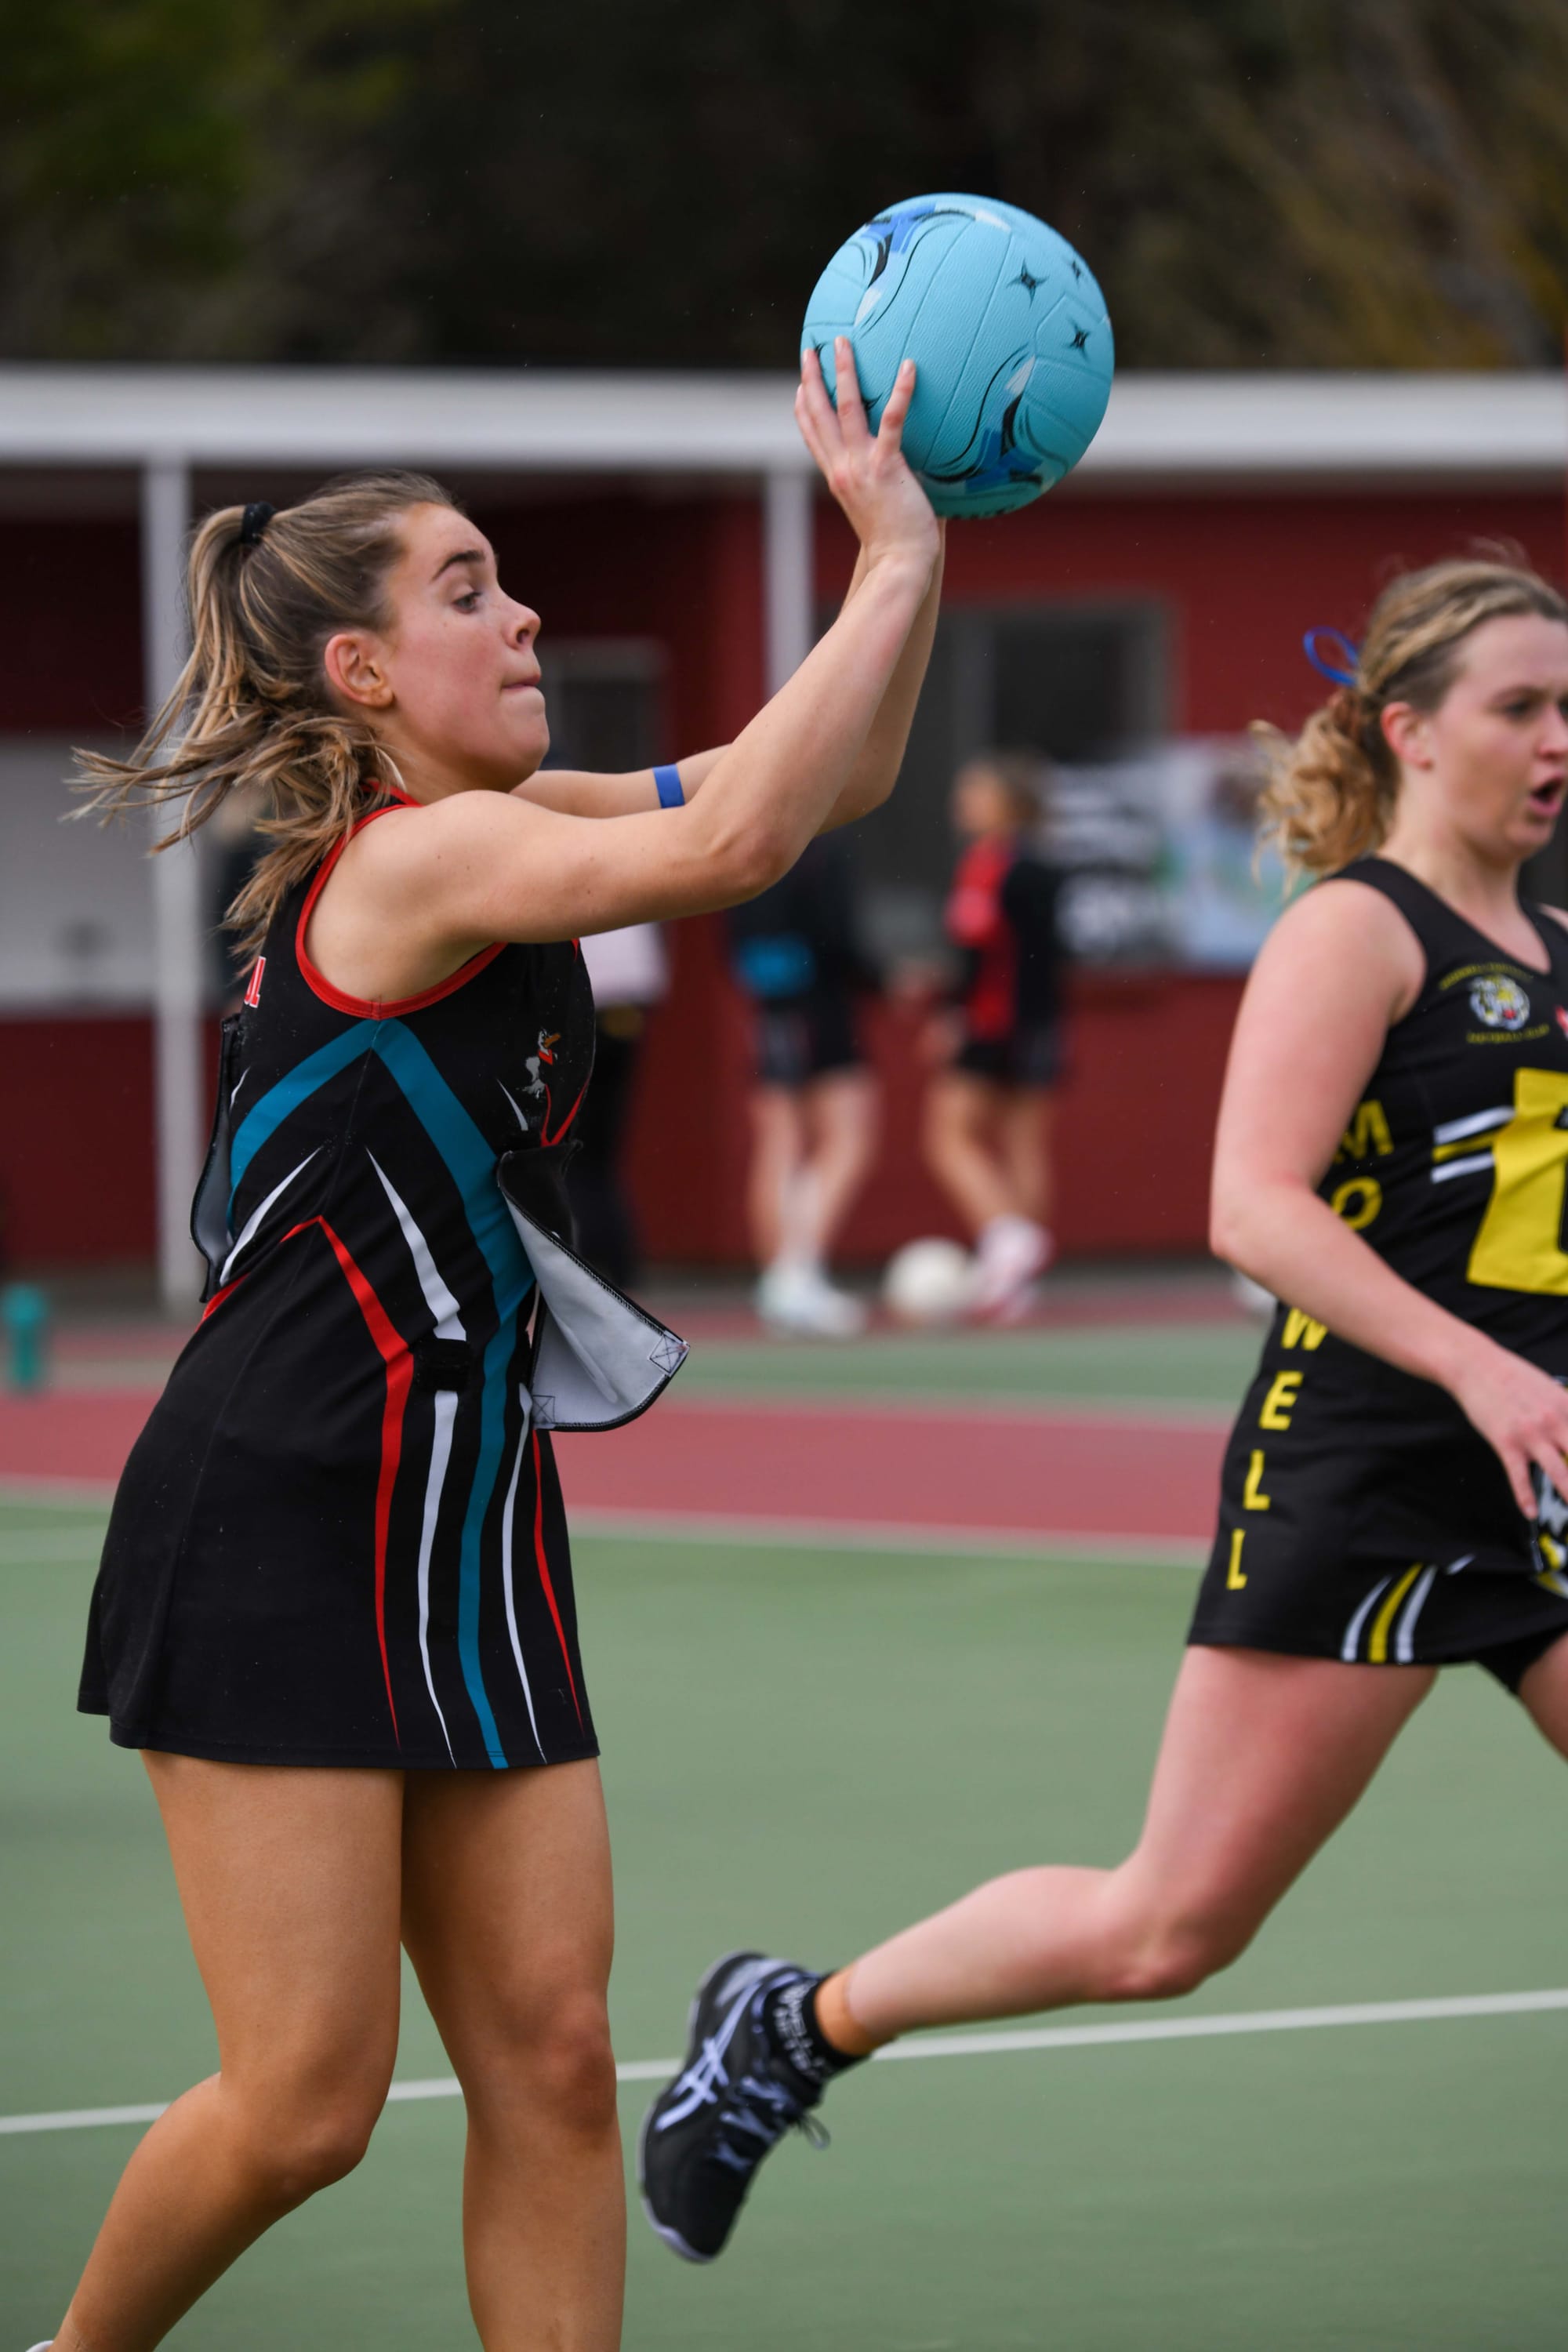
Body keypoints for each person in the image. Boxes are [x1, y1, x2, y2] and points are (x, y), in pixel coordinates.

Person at [40, 339, 942, 2352]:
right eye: (464, 587)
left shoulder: (515, 809)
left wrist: (914, 550)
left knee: (546, 2055)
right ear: (360, 675)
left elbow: (813, 786)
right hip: (279, 1502)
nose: (518, 608)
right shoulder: (417, 857)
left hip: (468, 1522)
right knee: (304, 2107)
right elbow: (725, 854)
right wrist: (874, 559)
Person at [638, 555, 1568, 2268]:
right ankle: (797, 2020)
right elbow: (1253, 1210)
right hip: (1367, 1471)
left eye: (1564, 707)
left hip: (1536, 1479)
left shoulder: (1557, 953)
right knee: (1166, 1929)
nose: (1553, 740)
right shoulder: (1354, 929)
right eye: (1518, 707)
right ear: (1409, 732)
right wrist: (1478, 1364)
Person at [921, 750, 1064, 1319]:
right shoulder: (1040, 866)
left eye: (975, 791)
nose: (963, 802)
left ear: (1007, 802)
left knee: (947, 1137)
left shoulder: (995, 864)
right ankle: (1017, 1279)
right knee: (1021, 1141)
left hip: (994, 1022)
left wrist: (957, 1014)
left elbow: (987, 954)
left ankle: (1009, 1239)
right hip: (1039, 1022)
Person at [728, 831, 880, 1335]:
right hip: (819, 1005)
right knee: (846, 1137)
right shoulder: (816, 848)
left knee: (779, 1138)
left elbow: (730, 938)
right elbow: (838, 938)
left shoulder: (747, 841)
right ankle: (796, 1272)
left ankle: (782, 1279)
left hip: (770, 1005)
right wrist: (883, 979)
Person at [572, 920, 669, 1288]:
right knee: (591, 1150)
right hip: (619, 1008)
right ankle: (612, 1261)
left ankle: (603, 1260)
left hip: (594, 1008)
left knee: (583, 1149)